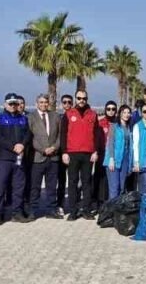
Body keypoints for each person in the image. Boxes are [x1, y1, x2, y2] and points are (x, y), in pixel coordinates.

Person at [0, 93, 31, 225]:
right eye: (10, 103)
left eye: (15, 103)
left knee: (19, 187)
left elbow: (28, 134)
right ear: (5, 104)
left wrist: (22, 145)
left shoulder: (23, 119)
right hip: (4, 159)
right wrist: (13, 147)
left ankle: (17, 213)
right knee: (0, 187)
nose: (13, 106)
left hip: (19, 159)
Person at [61, 90, 99, 221]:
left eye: (84, 98)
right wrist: (64, 152)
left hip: (88, 154)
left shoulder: (93, 114)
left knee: (87, 182)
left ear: (87, 99)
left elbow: (96, 134)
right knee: (72, 182)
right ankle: (73, 211)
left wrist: (95, 151)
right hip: (72, 153)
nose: (81, 100)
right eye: (79, 98)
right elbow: (63, 134)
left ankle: (86, 210)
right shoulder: (68, 114)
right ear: (75, 99)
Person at [29, 94, 62, 218]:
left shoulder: (55, 116)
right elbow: (30, 137)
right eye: (41, 102)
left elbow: (60, 135)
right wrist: (43, 150)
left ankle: (51, 209)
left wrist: (54, 147)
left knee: (52, 186)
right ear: (37, 103)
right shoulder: (31, 117)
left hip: (53, 157)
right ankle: (33, 210)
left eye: (46, 102)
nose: (44, 104)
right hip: (38, 157)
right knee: (35, 186)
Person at [104, 105, 133, 200]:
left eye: (128, 112)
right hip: (114, 158)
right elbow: (110, 143)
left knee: (121, 187)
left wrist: (130, 163)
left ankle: (118, 207)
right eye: (124, 112)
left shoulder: (129, 128)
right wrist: (111, 159)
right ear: (120, 114)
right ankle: (112, 208)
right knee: (114, 187)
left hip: (125, 159)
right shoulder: (114, 126)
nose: (127, 114)